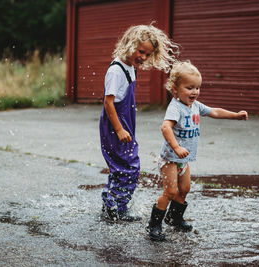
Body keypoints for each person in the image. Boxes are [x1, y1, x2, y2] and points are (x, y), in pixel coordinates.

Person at [146, 60, 248, 241]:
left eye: (197, 88)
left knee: (184, 189)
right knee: (170, 193)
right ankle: (154, 226)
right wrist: (176, 147)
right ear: (175, 89)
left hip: (183, 160)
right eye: (189, 88)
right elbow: (165, 128)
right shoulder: (175, 107)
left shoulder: (195, 106)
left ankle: (174, 219)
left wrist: (235, 116)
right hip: (170, 158)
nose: (195, 92)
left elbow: (214, 111)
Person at [99, 24, 179, 222]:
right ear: (129, 44)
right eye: (141, 51)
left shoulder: (130, 68)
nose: (143, 57)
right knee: (129, 166)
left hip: (125, 124)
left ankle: (112, 205)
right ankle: (116, 209)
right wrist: (118, 129)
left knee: (123, 165)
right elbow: (108, 103)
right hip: (115, 126)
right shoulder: (117, 71)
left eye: (147, 54)